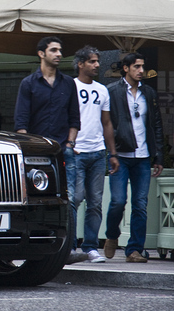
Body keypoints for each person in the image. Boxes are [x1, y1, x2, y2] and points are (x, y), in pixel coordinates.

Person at [14, 36, 81, 264]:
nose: (59, 54)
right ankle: (33, 245)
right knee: (36, 200)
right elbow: (21, 123)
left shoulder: (69, 83)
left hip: (63, 151)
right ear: (41, 54)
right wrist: (27, 151)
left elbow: (75, 119)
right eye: (54, 50)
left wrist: (70, 144)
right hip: (36, 155)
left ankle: (67, 250)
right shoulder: (29, 84)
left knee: (69, 200)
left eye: (60, 50)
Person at [104, 52, 164, 263]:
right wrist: (110, 152)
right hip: (120, 155)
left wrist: (158, 157)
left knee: (140, 204)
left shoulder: (149, 92)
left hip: (143, 156)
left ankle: (134, 250)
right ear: (126, 68)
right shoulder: (111, 91)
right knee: (118, 202)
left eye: (143, 66)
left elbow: (156, 124)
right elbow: (106, 124)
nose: (141, 71)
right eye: (137, 67)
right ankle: (111, 235)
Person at [70, 46, 119, 263]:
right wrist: (68, 145)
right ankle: (70, 246)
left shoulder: (102, 90)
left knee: (96, 202)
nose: (97, 65)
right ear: (80, 64)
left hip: (98, 152)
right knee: (75, 199)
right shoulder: (70, 86)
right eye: (92, 61)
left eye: (98, 61)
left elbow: (106, 122)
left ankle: (90, 247)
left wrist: (112, 153)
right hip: (77, 152)